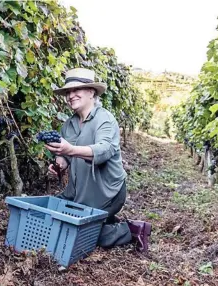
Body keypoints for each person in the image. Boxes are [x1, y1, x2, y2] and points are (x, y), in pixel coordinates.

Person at [44, 67, 151, 251]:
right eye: (68, 91)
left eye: (76, 90)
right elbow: (65, 156)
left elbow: (105, 150)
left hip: (107, 192)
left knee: (80, 235)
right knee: (52, 219)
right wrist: (59, 164)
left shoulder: (105, 120)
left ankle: (132, 230)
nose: (71, 95)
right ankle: (104, 220)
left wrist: (72, 149)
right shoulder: (69, 124)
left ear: (91, 92)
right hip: (79, 192)